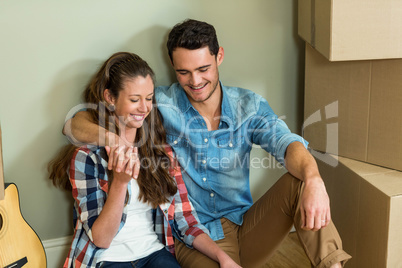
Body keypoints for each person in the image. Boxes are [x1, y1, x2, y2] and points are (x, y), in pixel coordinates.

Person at [63, 20, 352, 268]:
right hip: (194, 235)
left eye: (203, 68)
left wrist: (315, 179)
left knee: (301, 182)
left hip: (245, 225)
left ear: (219, 56)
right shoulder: (155, 102)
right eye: (183, 72)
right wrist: (115, 142)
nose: (196, 81)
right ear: (173, 68)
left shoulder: (247, 105)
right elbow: (74, 123)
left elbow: (287, 144)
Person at [48, 51, 242, 268]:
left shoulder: (162, 153)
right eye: (134, 99)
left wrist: (223, 258)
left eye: (149, 98)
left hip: (154, 254)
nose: (144, 108)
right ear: (110, 98)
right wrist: (120, 183)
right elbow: (101, 239)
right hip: (106, 259)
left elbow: (186, 221)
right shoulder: (87, 158)